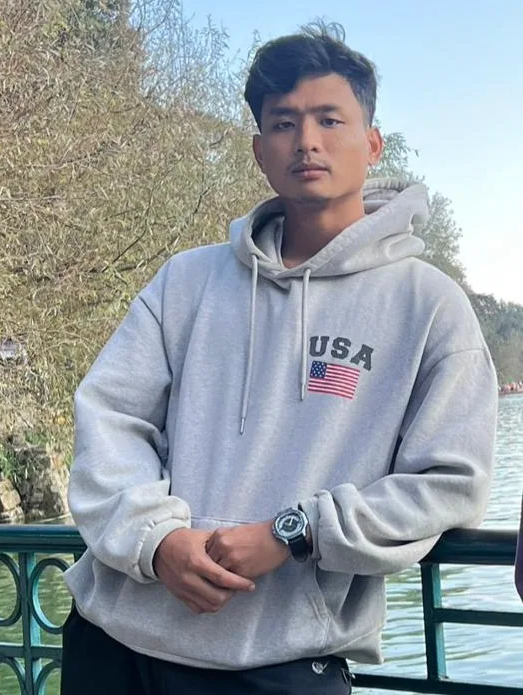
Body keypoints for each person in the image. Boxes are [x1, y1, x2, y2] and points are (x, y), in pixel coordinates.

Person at [60, 22, 498, 695]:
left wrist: (296, 531)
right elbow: (110, 417)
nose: (307, 141)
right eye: (284, 123)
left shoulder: (430, 306)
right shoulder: (187, 281)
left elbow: (451, 481)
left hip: (285, 663)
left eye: (330, 119)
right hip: (115, 644)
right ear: (261, 150)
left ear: (372, 143)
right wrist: (156, 540)